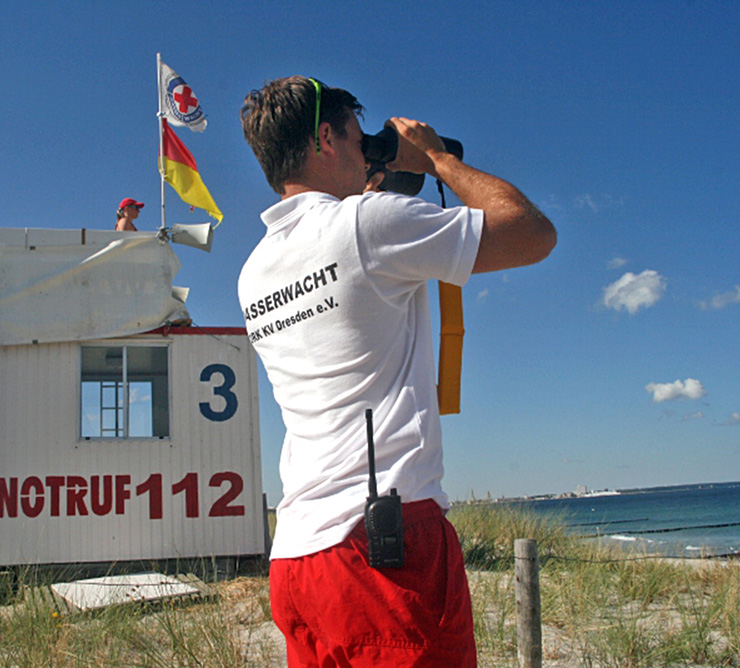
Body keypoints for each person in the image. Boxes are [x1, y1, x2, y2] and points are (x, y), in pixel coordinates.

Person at [237, 76, 556, 667]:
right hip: (385, 545)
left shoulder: (254, 271)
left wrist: (372, 181)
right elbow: (534, 234)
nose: (367, 151)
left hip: (299, 554)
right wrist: (435, 158)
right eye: (360, 139)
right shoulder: (367, 224)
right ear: (326, 137)